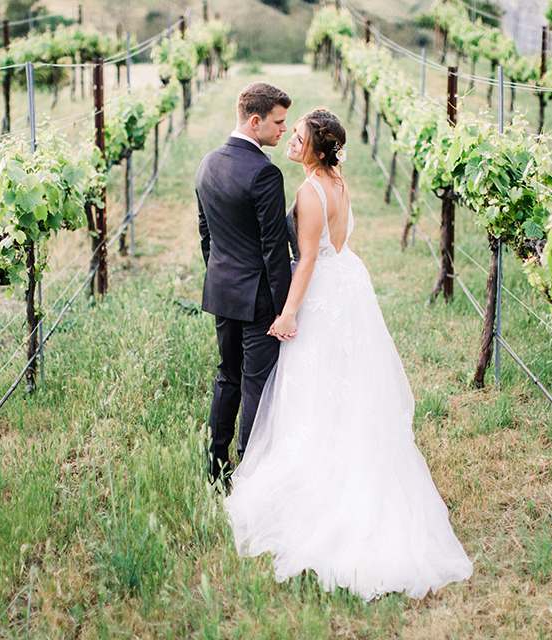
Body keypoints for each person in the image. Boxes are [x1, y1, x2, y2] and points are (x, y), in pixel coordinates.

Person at [224, 108, 473, 600]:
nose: (290, 140)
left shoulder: (309, 191)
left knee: (315, 387)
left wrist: (290, 312)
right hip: (347, 285)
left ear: (317, 148)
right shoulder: (336, 179)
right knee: (345, 387)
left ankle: (325, 489)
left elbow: (310, 257)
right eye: (288, 133)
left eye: (298, 137)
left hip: (322, 294)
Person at [195, 82, 293, 483]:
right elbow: (274, 248)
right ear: (256, 122)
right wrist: (286, 308)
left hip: (222, 290)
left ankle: (217, 469)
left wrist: (222, 274)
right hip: (259, 299)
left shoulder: (207, 163)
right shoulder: (265, 174)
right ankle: (249, 474)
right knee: (257, 383)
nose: (283, 130)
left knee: (227, 376)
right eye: (278, 121)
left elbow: (206, 234)